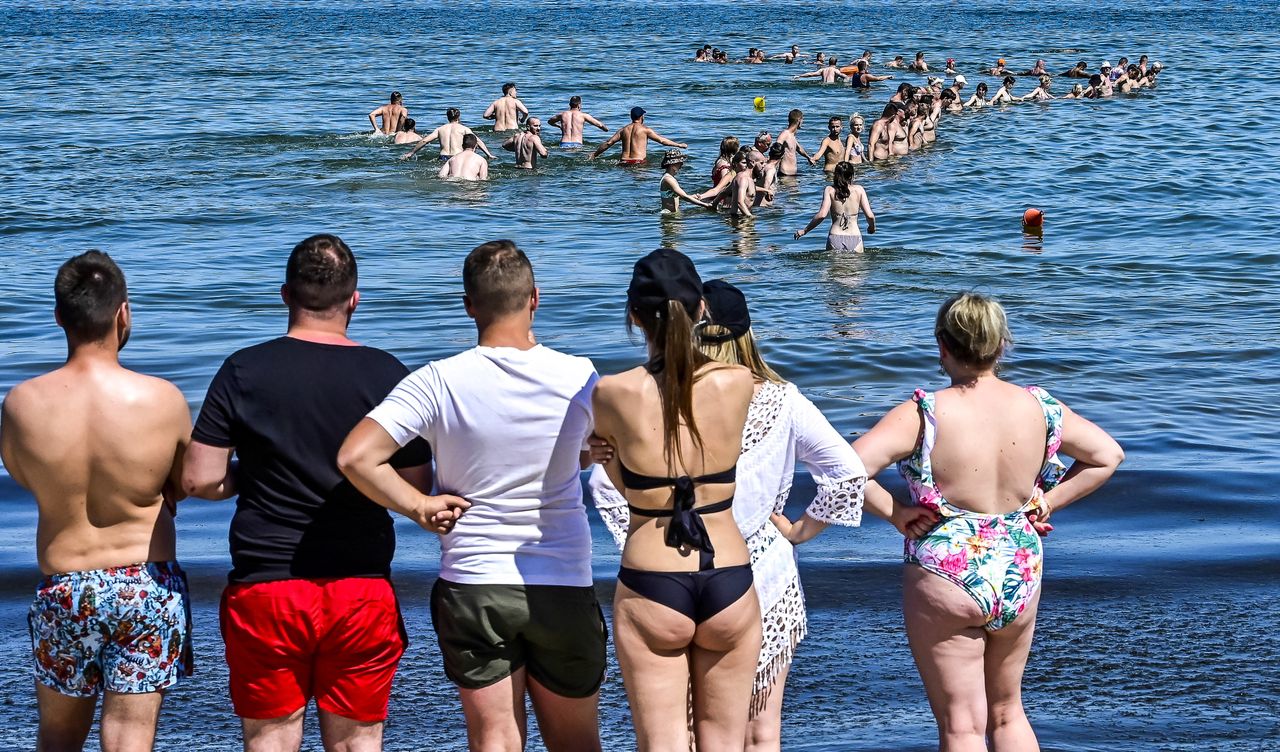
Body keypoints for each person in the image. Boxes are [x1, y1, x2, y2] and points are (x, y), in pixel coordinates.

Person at [589, 279, 932, 751]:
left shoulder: (657, 395)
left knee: (678, 729)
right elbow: (848, 472)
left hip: (667, 564)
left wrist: (642, 534)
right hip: (760, 571)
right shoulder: (777, 396)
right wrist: (801, 530)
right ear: (746, 334)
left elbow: (605, 488)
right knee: (759, 731)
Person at [339, 240, 608, 752]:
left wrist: (418, 507)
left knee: (495, 740)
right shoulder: (581, 377)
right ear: (535, 298)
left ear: (468, 304)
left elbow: (356, 456)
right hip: (562, 577)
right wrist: (586, 455)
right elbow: (606, 451)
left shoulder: (438, 380)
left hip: (474, 579)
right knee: (576, 742)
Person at [834, 293, 1124, 750]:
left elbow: (842, 471)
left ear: (942, 346)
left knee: (962, 726)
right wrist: (1048, 501)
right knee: (1008, 713)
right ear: (1000, 345)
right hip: (1018, 564)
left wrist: (897, 513)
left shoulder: (923, 413)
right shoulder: (1040, 407)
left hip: (946, 568)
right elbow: (1108, 456)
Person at [181, 234, 437, 752]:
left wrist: (249, 477)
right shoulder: (387, 373)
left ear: (284, 295)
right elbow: (415, 489)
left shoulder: (242, 369)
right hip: (360, 588)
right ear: (354, 299)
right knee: (356, 742)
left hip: (266, 585)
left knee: (272, 738)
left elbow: (201, 479)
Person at [1, 251, 193, 752]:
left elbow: (26, 477)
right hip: (145, 586)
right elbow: (185, 483)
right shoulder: (162, 399)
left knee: (59, 737)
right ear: (123, 312)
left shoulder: (21, 404)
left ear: (59, 316)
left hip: (64, 587)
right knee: (130, 737)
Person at [591, 248, 759, 751]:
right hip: (728, 571)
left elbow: (634, 492)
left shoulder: (612, 392)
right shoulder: (738, 381)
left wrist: (606, 458)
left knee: (660, 742)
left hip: (652, 576)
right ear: (702, 310)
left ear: (633, 315)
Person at [794, 161, 875, 252]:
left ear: (835, 175)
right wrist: (872, 228)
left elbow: (822, 215)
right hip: (854, 235)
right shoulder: (859, 190)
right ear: (851, 176)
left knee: (835, 266)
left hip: (835, 236)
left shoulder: (829, 190)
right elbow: (870, 215)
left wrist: (805, 231)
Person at [590, 107, 687, 165]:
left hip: (623, 163)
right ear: (641, 117)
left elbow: (608, 143)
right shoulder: (645, 130)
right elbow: (662, 141)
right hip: (638, 163)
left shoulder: (623, 130)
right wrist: (679, 145)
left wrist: (595, 154)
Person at [402, 108, 495, 161]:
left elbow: (424, 140)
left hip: (443, 157)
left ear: (447, 117)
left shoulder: (440, 129)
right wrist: (488, 154)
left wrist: (411, 153)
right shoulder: (464, 129)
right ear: (458, 117)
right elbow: (477, 141)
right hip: (457, 157)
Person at [776, 109, 816, 175]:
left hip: (792, 175)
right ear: (799, 120)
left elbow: (799, 148)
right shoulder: (785, 134)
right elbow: (776, 146)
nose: (803, 122)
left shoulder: (792, 135)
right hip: (785, 174)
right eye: (802, 120)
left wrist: (808, 157)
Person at [728, 149, 758, 217]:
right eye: (761, 163)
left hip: (744, 215)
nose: (764, 166)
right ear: (752, 163)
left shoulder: (748, 178)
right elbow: (740, 202)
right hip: (740, 217)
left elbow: (725, 191)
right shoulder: (742, 178)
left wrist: (714, 203)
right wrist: (750, 217)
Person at [755, 142, 785, 206]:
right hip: (764, 206)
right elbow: (766, 184)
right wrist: (767, 192)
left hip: (756, 203)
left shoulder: (763, 165)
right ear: (782, 156)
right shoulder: (771, 169)